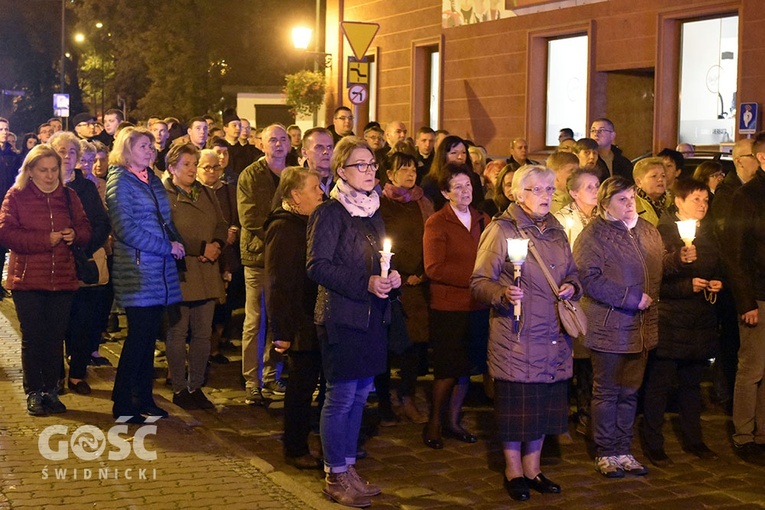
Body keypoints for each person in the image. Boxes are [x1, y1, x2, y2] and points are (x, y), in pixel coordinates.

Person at [471, 164, 581, 501]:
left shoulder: (557, 230)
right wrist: (502, 294)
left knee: (542, 407)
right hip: (517, 336)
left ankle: (533, 469)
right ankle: (513, 470)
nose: (545, 195)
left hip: (551, 336)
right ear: (518, 193)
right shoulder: (502, 230)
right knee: (517, 409)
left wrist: (571, 287)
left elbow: (574, 273)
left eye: (550, 190)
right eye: (536, 189)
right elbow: (479, 282)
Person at [306, 136, 401, 507]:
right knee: (341, 396)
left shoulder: (373, 210)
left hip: (372, 316)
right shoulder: (329, 213)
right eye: (360, 165)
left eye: (372, 164)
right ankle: (334, 473)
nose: (369, 171)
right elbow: (317, 266)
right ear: (341, 171)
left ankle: (348, 466)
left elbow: (380, 259)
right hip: (340, 317)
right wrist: (365, 282)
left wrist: (390, 278)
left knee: (361, 396)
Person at [573, 176, 663, 478]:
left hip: (640, 326)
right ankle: (605, 451)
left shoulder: (646, 230)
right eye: (621, 199)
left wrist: (678, 260)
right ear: (605, 203)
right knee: (607, 391)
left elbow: (654, 269)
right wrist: (629, 298)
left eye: (632, 197)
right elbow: (588, 278)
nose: (629, 204)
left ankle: (624, 448)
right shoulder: (593, 236)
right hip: (610, 325)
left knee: (630, 392)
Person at [0, 145, 91, 415]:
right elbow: (6, 234)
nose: (50, 176)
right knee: (33, 337)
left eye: (54, 170)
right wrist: (43, 240)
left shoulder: (69, 195)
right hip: (27, 279)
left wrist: (75, 234)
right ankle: (34, 391)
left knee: (55, 338)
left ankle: (52, 390)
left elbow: (86, 227)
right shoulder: (16, 196)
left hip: (62, 277)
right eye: (43, 170)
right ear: (30, 170)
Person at [106, 126, 185, 423]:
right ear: (126, 150)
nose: (150, 151)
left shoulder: (151, 179)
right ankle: (123, 402)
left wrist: (176, 243)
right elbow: (125, 229)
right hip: (138, 270)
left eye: (151, 146)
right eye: (143, 146)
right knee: (138, 338)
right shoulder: (120, 183)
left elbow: (163, 219)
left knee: (149, 337)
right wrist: (165, 247)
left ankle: (143, 397)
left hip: (158, 269)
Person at [642, 178, 721, 466]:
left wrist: (715, 284)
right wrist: (686, 287)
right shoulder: (663, 232)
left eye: (705, 200)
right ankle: (653, 441)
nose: (702, 205)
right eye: (696, 199)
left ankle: (694, 439)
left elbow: (715, 265)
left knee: (691, 384)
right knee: (659, 384)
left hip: (700, 320)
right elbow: (655, 280)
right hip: (671, 320)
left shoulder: (708, 233)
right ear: (679, 201)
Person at [422, 163, 490, 450]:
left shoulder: (483, 219)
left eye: (468, 186)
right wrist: (475, 279)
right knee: (447, 369)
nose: (465, 192)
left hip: (477, 306)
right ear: (445, 192)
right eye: (458, 187)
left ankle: (453, 420)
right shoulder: (437, 222)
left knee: (465, 368)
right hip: (449, 307)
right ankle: (434, 423)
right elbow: (434, 268)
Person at [264, 166, 325, 470]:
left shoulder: (310, 221)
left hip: (316, 315)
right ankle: (295, 446)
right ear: (295, 195)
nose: (321, 193)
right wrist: (280, 330)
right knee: (301, 388)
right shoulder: (284, 228)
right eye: (315, 188)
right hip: (299, 321)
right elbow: (278, 282)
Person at [163, 144, 227, 410]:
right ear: (172, 168)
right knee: (177, 332)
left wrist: (216, 245)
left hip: (208, 271)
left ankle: (196, 386)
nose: (191, 169)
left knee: (203, 334)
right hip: (182, 271)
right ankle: (179, 387)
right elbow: (167, 230)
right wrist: (199, 248)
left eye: (194, 164)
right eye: (186, 164)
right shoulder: (164, 196)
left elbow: (221, 224)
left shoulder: (207, 194)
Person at [49, 131, 111, 395]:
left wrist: (82, 242)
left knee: (83, 321)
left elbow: (101, 222)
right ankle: (55, 375)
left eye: (71, 152)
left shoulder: (85, 187)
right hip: (52, 265)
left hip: (82, 262)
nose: (66, 156)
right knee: (55, 323)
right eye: (61, 151)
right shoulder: (41, 184)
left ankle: (77, 373)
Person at [377, 151, 435, 426]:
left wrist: (423, 272)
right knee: (387, 345)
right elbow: (380, 241)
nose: (410, 174)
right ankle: (385, 401)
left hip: (418, 283)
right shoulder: (381, 203)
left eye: (413, 169)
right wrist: (395, 272)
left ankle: (408, 396)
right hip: (392, 283)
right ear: (390, 174)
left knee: (414, 346)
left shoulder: (424, 203)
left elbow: (433, 240)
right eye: (403, 169)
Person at [238, 123, 290, 404]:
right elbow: (250, 218)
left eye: (283, 139)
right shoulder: (251, 175)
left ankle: (273, 375)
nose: (278, 145)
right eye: (273, 140)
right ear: (262, 144)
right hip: (258, 257)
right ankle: (252, 379)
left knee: (278, 318)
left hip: (284, 260)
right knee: (255, 320)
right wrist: (277, 240)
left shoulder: (293, 173)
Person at [724, 131, 765, 465]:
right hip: (758, 295)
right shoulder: (747, 196)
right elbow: (736, 255)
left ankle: (764, 432)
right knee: (751, 368)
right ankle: (744, 434)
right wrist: (746, 302)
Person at [553, 168, 600, 435]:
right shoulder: (562, 220)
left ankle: (587, 413)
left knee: (590, 362)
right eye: (589, 187)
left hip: (596, 298)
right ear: (573, 192)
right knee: (572, 358)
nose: (595, 191)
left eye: (597, 185)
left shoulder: (604, 218)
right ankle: (562, 415)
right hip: (573, 297)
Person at [196, 149, 241, 365]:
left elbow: (237, 218)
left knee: (224, 305)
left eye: (216, 167)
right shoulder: (193, 192)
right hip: (202, 255)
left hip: (228, 254)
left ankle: (214, 347)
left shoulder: (229, 191)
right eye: (207, 167)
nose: (212, 171)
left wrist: (232, 231)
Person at [421, 135, 483, 211]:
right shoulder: (430, 182)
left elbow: (479, 207)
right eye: (454, 153)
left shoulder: (474, 178)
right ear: (443, 155)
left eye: (464, 152)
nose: (460, 157)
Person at [633, 157, 670, 226]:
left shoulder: (674, 201)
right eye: (654, 176)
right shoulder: (631, 204)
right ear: (639, 182)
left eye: (663, 176)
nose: (660, 179)